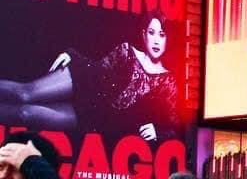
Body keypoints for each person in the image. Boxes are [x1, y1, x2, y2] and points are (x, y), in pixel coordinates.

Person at [0, 11, 179, 141]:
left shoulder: (168, 82)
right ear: (144, 34)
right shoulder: (127, 51)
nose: (156, 40)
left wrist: (158, 132)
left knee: (25, 114)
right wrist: (73, 55)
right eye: (151, 32)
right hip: (84, 83)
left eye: (162, 35)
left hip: (92, 116)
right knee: (24, 94)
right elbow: (97, 69)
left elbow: (176, 125)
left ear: (167, 39)